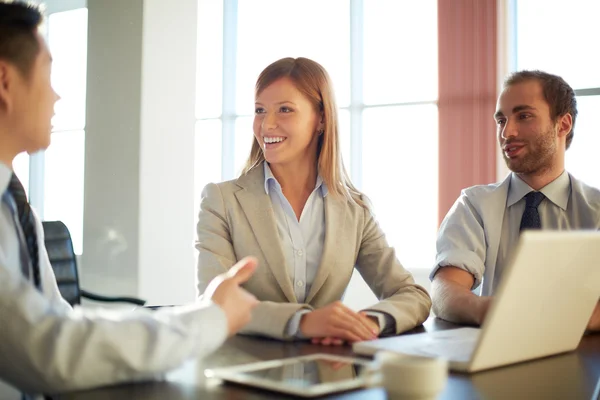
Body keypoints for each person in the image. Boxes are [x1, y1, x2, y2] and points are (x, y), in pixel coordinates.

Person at [0, 1, 259, 396]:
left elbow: (60, 324)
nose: (56, 96)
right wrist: (208, 318)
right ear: (4, 81)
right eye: (47, 72)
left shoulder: (17, 208)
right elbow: (52, 350)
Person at [196, 57, 431, 344]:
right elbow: (216, 302)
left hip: (327, 374)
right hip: (243, 372)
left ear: (321, 119)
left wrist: (364, 323)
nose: (267, 124)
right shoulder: (221, 200)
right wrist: (303, 321)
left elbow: (412, 296)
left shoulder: (354, 210)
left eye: (284, 110)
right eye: (260, 110)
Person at [430, 70, 600, 329]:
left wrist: (547, 318)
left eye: (524, 116)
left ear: (563, 124)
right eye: (501, 120)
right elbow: (445, 291)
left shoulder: (595, 211)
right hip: (498, 356)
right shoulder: (474, 205)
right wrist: (491, 311)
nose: (507, 133)